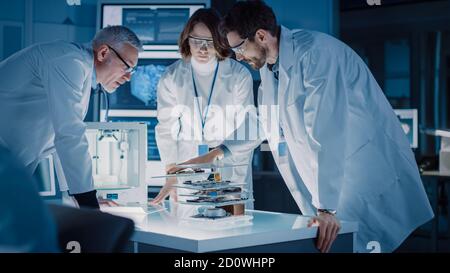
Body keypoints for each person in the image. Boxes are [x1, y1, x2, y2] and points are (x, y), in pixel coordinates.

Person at [171, 0, 434, 253]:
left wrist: (327, 208)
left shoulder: (317, 55)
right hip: (335, 187)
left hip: (364, 176)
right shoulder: (269, 67)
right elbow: (263, 119)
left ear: (261, 36)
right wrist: (218, 152)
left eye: (239, 48)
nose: (238, 57)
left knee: (368, 241)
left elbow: (327, 132)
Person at [0, 26, 142, 209]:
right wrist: (88, 204)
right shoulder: (68, 62)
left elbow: (59, 140)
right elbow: (70, 134)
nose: (129, 77)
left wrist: (81, 196)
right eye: (127, 66)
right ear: (104, 53)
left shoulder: (78, 69)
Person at [151, 8, 255, 207]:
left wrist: (229, 160)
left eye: (209, 42)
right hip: (187, 165)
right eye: (196, 40)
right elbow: (166, 128)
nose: (202, 48)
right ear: (186, 39)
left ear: (220, 41)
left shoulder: (238, 75)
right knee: (188, 228)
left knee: (232, 229)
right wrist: (172, 171)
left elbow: (248, 127)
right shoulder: (172, 76)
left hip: (229, 165)